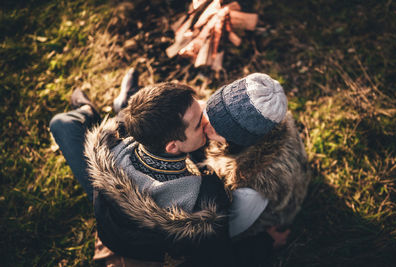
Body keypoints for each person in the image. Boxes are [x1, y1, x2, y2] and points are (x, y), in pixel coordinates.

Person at [50, 71, 234, 266]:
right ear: (172, 147)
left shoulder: (115, 144)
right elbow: (222, 255)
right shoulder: (206, 200)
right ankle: (119, 103)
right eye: (199, 124)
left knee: (62, 123)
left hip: (111, 225)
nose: (207, 122)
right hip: (138, 247)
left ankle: (109, 106)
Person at [203, 73, 311, 265]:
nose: (206, 126)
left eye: (217, 129)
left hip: (258, 221)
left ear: (239, 140)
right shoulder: (266, 123)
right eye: (210, 114)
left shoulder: (250, 186)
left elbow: (230, 227)